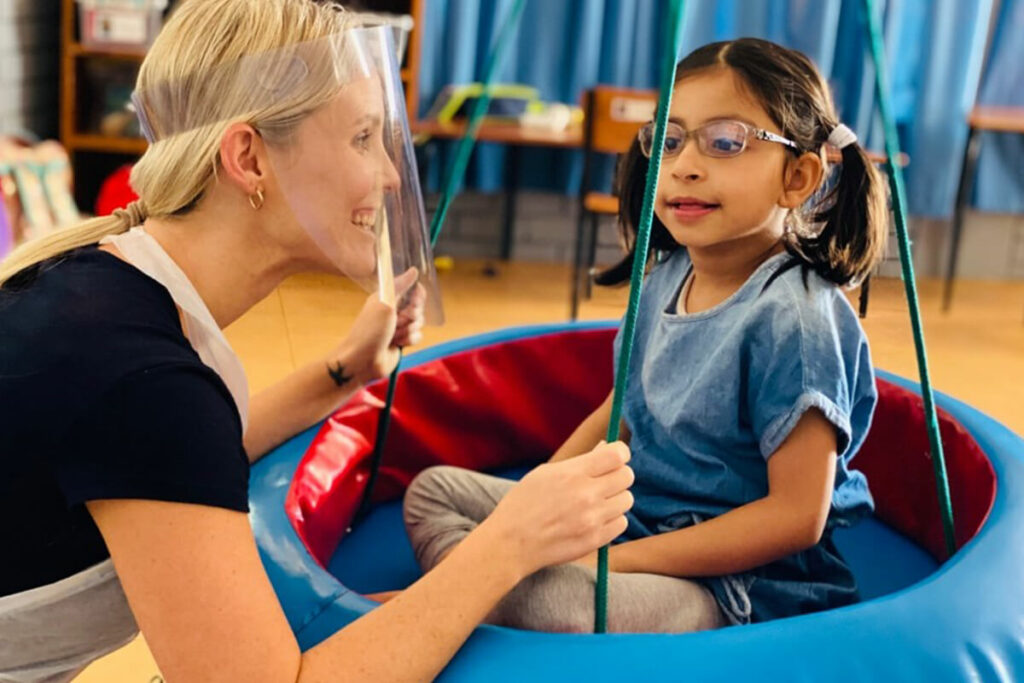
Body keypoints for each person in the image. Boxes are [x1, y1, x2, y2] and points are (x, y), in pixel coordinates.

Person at [0, 1, 634, 681]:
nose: (391, 175)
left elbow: (161, 467)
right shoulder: (141, 378)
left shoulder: (112, 290)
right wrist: (509, 543)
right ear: (249, 158)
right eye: (363, 138)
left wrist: (344, 373)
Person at [404, 37, 887, 633]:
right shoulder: (668, 275)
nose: (683, 164)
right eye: (671, 138)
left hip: (733, 584)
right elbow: (622, 411)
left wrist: (607, 562)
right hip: (635, 520)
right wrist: (531, 514)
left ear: (798, 177)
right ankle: (469, 599)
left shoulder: (796, 317)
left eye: (726, 141)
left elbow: (794, 518)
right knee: (434, 493)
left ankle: (451, 606)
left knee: (558, 600)